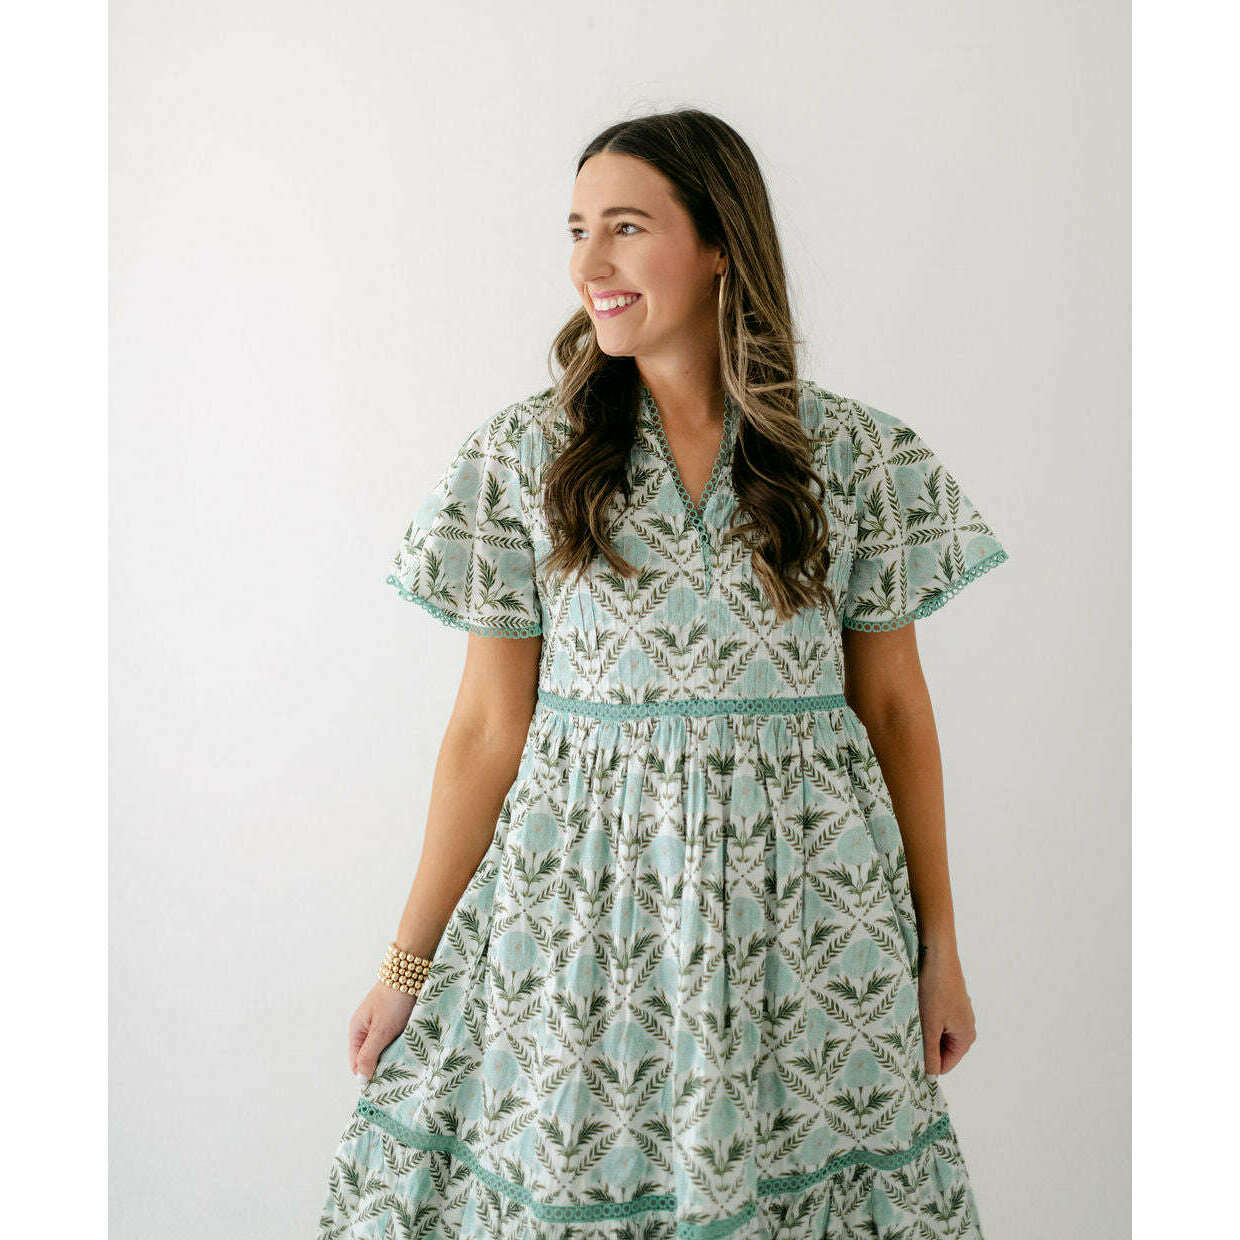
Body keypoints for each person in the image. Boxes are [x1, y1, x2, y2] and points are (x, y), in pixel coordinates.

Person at [316, 109, 1008, 1239]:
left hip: (809, 926)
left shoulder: (857, 458)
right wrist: (406, 966)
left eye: (626, 228)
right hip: (583, 927)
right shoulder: (523, 460)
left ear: (720, 242)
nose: (589, 264)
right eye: (577, 230)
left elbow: (892, 709)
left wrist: (941, 951)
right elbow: (487, 732)